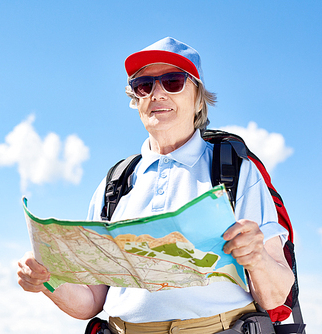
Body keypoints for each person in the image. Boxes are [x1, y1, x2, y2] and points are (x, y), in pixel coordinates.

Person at [17, 37, 294, 333]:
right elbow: (92, 300)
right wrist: (45, 281)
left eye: (173, 81)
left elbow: (276, 295)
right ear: (136, 99)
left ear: (198, 97)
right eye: (144, 85)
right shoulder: (114, 183)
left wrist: (258, 258)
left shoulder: (237, 171)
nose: (156, 94)